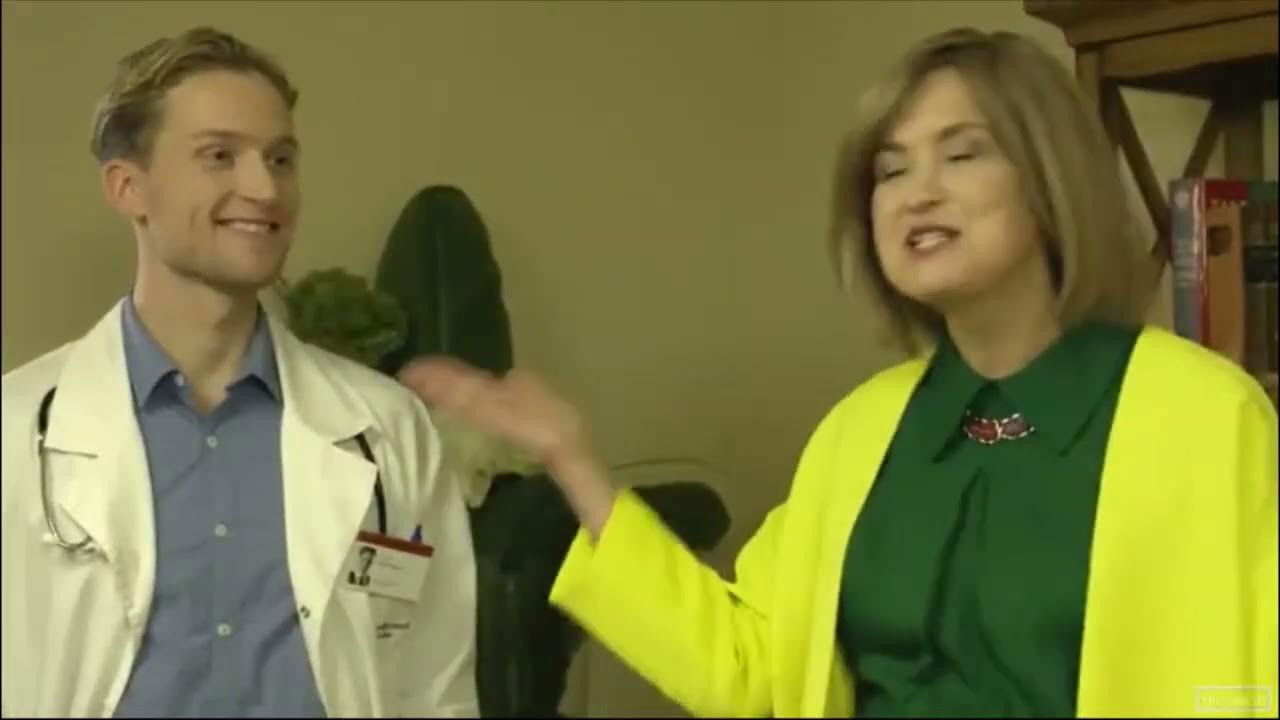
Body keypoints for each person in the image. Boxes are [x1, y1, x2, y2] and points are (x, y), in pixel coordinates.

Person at [400, 27, 1278, 718]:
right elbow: (746, 671)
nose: (916, 192)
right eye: (890, 170)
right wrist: (574, 460)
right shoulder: (861, 432)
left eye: (962, 153)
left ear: (1051, 180)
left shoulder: (1204, 415)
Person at [0, 27, 479, 718]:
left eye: (280, 159)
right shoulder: (17, 431)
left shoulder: (385, 428)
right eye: (220, 156)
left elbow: (437, 684)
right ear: (128, 187)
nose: (264, 188)